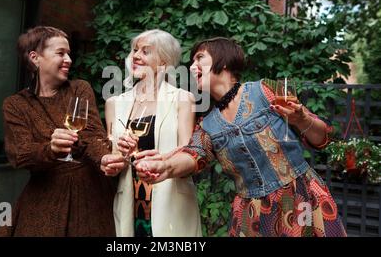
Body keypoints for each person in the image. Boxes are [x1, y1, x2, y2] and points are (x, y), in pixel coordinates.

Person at [135, 37, 347, 237]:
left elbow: (322, 138)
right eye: (191, 61)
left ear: (224, 61)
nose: (192, 67)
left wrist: (301, 119)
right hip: (252, 215)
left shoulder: (265, 90)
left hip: (300, 198)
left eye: (199, 58)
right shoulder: (207, 124)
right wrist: (164, 166)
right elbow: (193, 156)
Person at [0, 26, 115, 236]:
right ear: (35, 57)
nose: (69, 59)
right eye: (61, 53)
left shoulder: (79, 89)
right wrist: (50, 149)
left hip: (90, 195)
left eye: (69, 53)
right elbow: (20, 155)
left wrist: (105, 157)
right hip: (44, 196)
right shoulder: (15, 105)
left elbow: (92, 135)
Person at [100, 29, 202, 237]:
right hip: (130, 202)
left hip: (171, 201)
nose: (135, 56)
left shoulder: (183, 99)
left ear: (163, 62)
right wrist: (114, 161)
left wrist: (162, 162)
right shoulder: (114, 103)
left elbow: (188, 153)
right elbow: (115, 158)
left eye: (145, 52)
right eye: (135, 50)